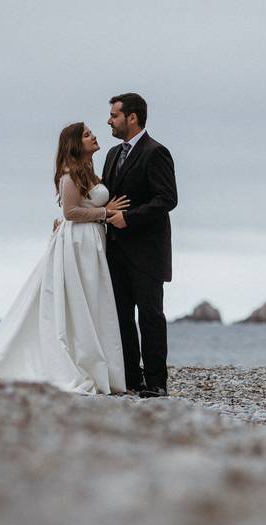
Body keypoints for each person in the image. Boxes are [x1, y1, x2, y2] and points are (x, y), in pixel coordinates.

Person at [0, 123, 129, 394]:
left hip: (91, 242)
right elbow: (70, 212)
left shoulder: (89, 171)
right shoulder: (70, 175)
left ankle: (98, 364)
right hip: (78, 244)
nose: (94, 136)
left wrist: (102, 211)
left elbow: (79, 207)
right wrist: (105, 212)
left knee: (92, 301)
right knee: (78, 300)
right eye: (88, 135)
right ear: (76, 144)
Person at [102, 93, 178, 398]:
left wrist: (128, 218)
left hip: (147, 252)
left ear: (132, 117)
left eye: (114, 115)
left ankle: (157, 383)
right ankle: (131, 378)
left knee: (150, 317)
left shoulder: (156, 152)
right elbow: (107, 196)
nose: (109, 120)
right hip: (115, 251)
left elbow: (167, 199)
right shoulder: (110, 155)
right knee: (121, 317)